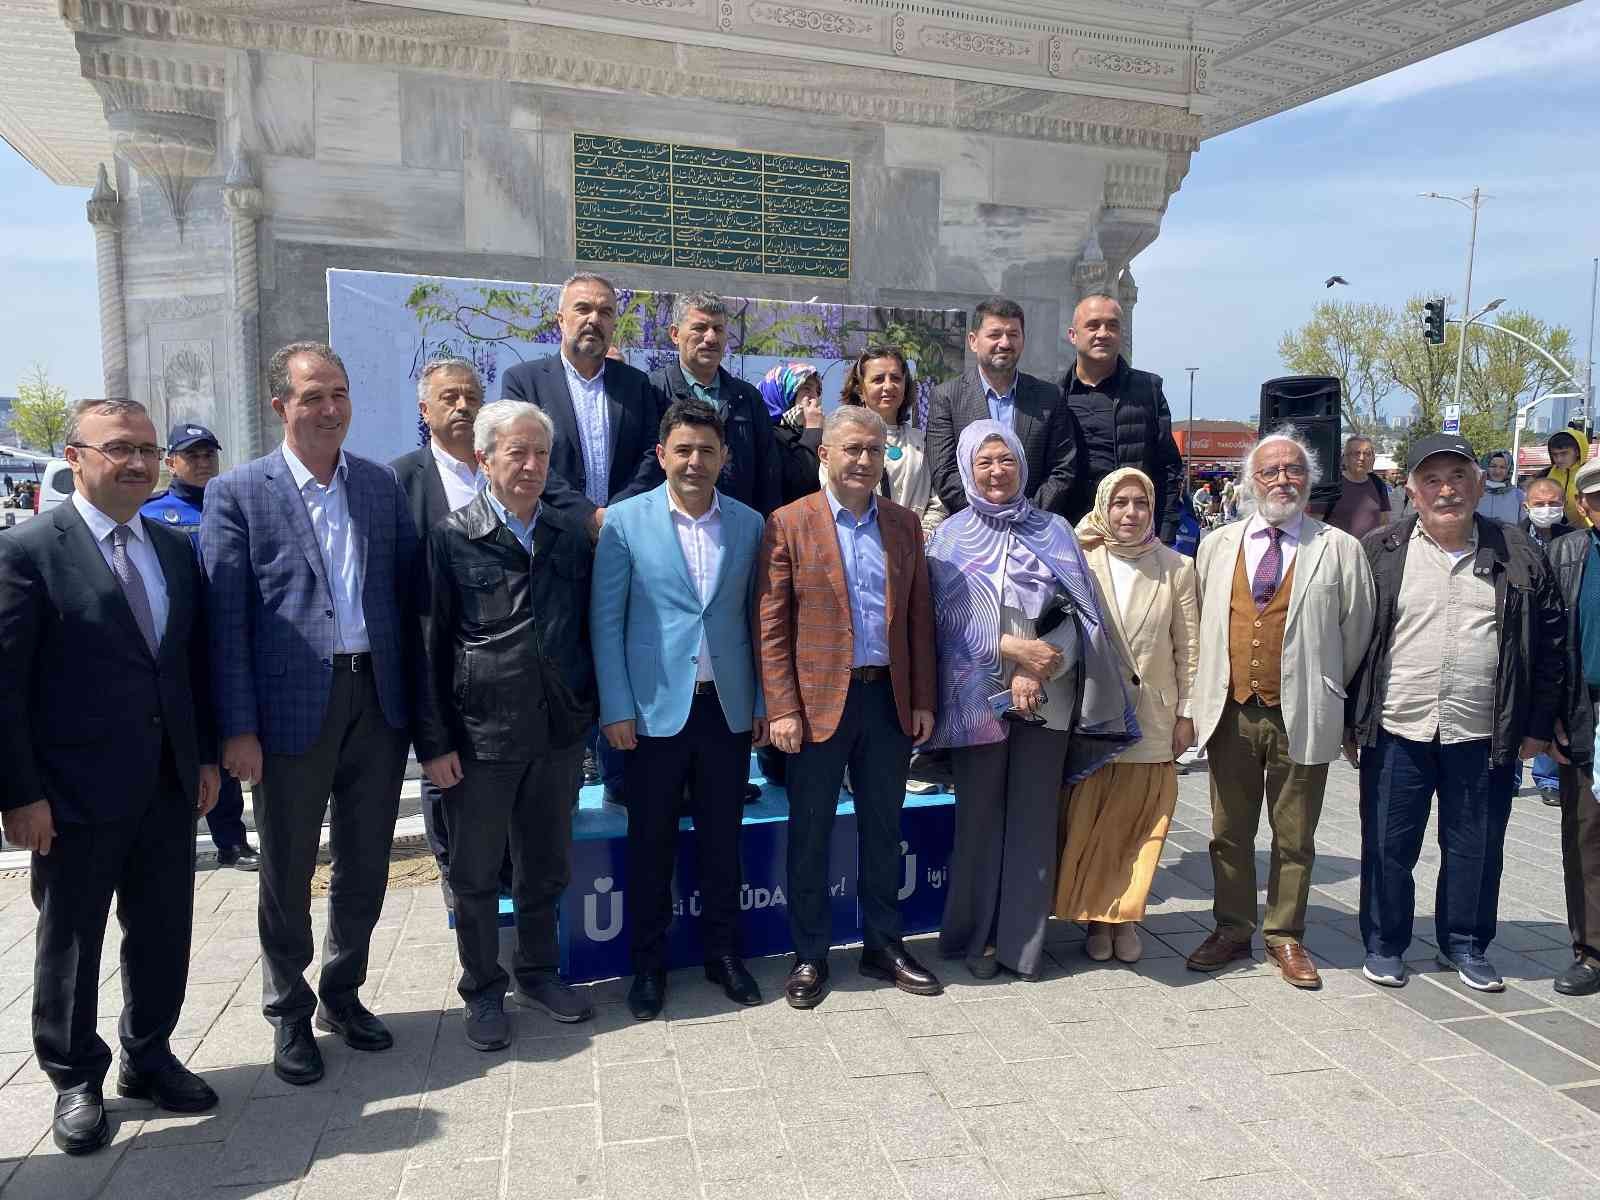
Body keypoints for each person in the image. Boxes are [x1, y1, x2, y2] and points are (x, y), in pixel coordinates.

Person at [0, 399, 220, 1154]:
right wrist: (20, 795)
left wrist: (207, 758)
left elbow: (189, 666)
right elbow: (6, 685)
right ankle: (74, 1078)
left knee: (163, 933)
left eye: (148, 450)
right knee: (72, 942)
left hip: (165, 784)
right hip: (69, 794)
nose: (136, 462)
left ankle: (149, 1057)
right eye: (118, 448)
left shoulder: (171, 548)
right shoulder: (28, 549)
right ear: (75, 456)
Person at [200, 341, 417, 1086]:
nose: (330, 410)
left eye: (340, 394)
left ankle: (342, 992)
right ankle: (288, 1013)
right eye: (313, 396)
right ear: (280, 407)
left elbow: (404, 603)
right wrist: (237, 728)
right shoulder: (238, 494)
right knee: (288, 869)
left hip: (376, 703)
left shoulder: (380, 486)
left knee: (365, 862)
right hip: (290, 712)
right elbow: (226, 623)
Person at [1346, 434, 1563, 993]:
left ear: (1477, 484)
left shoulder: (1517, 550)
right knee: (1388, 845)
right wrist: (1352, 722)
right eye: (1434, 480)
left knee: (1476, 846)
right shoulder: (1381, 550)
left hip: (1483, 729)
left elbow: (1551, 642)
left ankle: (1465, 945)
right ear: (1412, 491)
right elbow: (1352, 641)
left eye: (1459, 477)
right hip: (1399, 725)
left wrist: (1538, 724)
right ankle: (1385, 943)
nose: (1448, 491)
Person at [926, 423, 1138, 980]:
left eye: (1006, 461)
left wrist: (1042, 659)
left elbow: (1083, 613)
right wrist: (1004, 648)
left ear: (1022, 464)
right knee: (978, 819)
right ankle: (977, 940)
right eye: (984, 463)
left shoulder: (1054, 530)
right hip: (976, 697)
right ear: (969, 469)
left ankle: (1023, 944)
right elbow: (939, 623)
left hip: (1050, 690)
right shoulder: (949, 537)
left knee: (1033, 821)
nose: (997, 473)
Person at [414, 400, 596, 1048]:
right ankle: (482, 991)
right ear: (484, 459)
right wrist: (433, 743)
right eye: (516, 452)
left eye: (540, 453)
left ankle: (540, 973)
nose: (529, 465)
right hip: (480, 734)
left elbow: (585, 628)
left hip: (555, 730)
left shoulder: (567, 533)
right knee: (476, 873)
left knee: (545, 864)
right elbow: (429, 643)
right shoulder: (452, 535)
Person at [756, 405, 941, 1008]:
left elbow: (918, 620)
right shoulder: (788, 523)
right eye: (852, 450)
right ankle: (809, 953)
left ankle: (883, 946)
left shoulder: (904, 524)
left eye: (874, 450)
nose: (864, 461)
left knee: (884, 830)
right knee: (809, 832)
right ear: (825, 456)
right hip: (813, 708)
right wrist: (781, 707)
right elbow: (772, 624)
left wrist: (921, 700)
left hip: (887, 700)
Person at [592, 400, 769, 1020]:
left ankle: (724, 954)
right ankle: (648, 966)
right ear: (662, 454)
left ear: (725, 458)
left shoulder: (749, 525)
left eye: (708, 451)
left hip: (725, 711)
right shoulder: (623, 522)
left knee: (724, 841)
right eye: (684, 450)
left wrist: (763, 704)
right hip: (649, 714)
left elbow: (759, 620)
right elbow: (605, 622)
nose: (695, 462)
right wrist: (614, 708)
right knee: (651, 845)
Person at [1185, 430, 1375, 989]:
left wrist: (1323, 688)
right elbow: (1202, 620)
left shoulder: (1337, 548)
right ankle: (1231, 927)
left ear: (1309, 480)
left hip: (1304, 711)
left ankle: (1286, 935)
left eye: (1293, 470)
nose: (1281, 480)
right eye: (1269, 472)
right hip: (1231, 710)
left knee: (1294, 836)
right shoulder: (1218, 545)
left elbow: (1356, 630)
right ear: (1251, 482)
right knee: (1227, 831)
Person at [501, 273, 668, 806]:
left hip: (624, 546)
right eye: (582, 309)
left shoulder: (636, 387)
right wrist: (587, 518)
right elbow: (528, 462)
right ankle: (566, 781)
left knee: (621, 652)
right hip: (556, 548)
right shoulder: (525, 381)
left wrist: (615, 518)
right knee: (564, 658)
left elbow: (652, 457)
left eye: (604, 311)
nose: (593, 320)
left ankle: (622, 778)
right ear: (561, 320)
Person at [1057, 467, 1200, 963]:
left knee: (1144, 825)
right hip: (1097, 716)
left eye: (1140, 503)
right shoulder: (1083, 560)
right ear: (1103, 507)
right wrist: (1081, 531)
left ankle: (1128, 918)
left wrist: (1188, 714)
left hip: (1155, 720)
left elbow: (1190, 647)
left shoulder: (1177, 568)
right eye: (1119, 503)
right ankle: (1097, 920)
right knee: (1095, 823)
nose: (1131, 513)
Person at [390, 357, 495, 906]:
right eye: (449, 397)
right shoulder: (397, 481)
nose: (462, 407)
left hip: (503, 668)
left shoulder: (506, 470)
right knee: (444, 780)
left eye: (472, 397)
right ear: (424, 409)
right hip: (438, 664)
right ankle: (460, 896)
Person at [142, 421, 260, 872]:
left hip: (222, 645)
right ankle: (176, 841)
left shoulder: (232, 506)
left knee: (223, 744)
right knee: (178, 750)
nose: (203, 461)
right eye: (192, 455)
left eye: (209, 453)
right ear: (170, 462)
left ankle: (232, 840)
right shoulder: (154, 512)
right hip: (174, 650)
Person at [926, 296, 1079, 519]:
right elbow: (944, 472)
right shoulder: (946, 397)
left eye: (1013, 334)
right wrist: (986, 516)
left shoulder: (1050, 397)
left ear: (1023, 340)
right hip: (972, 529)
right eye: (995, 334)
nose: (1005, 343)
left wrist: (1026, 515)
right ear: (973, 340)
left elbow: (1062, 469)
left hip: (1034, 528)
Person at [1061, 294, 1185, 539]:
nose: (1103, 333)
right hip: (1072, 536)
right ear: (1073, 335)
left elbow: (1169, 467)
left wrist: (1165, 534)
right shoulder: (1055, 396)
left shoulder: (1148, 390)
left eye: (1112, 326)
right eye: (1093, 325)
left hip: (1133, 535)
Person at [650, 291, 782, 516]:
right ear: (675, 334)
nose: (710, 338)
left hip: (736, 527)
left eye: (718, 329)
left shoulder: (747, 397)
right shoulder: (653, 391)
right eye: (700, 328)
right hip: (668, 524)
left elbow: (768, 474)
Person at [1547, 458, 1600, 996]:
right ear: (1583, 507)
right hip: (1587, 709)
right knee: (1585, 834)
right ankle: (1590, 949)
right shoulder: (1564, 554)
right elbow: (1551, 644)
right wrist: (1552, 718)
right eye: (1599, 499)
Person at [839, 345, 945, 538]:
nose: (888, 386)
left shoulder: (922, 442)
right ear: (860, 389)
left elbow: (937, 503)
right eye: (878, 379)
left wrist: (920, 535)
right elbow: (835, 497)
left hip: (913, 549)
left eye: (895, 378)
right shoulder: (840, 441)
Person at [762, 362, 826, 506]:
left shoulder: (813, 430)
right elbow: (804, 482)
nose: (814, 398)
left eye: (817, 391)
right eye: (807, 389)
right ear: (784, 392)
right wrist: (813, 429)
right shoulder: (769, 434)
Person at [1316, 435, 1390, 539]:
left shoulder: (1378, 484)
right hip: (1338, 551)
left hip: (1370, 552)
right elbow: (1315, 524)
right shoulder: (1332, 485)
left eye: (1367, 454)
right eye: (1356, 453)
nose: (1362, 458)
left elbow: (1384, 522)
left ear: (1373, 458)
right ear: (1345, 458)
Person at [1542, 426, 1591, 529]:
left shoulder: (1589, 474)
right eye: (1555, 455)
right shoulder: (1548, 474)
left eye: (1564, 453)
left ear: (1578, 452)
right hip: (1556, 531)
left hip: (1589, 533)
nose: (1559, 459)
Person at [1476, 451, 1524, 525]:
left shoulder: (1518, 495)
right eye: (1493, 466)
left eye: (1503, 467)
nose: (1497, 471)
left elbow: (1523, 525)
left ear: (1509, 469)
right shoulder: (1474, 492)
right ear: (1485, 466)